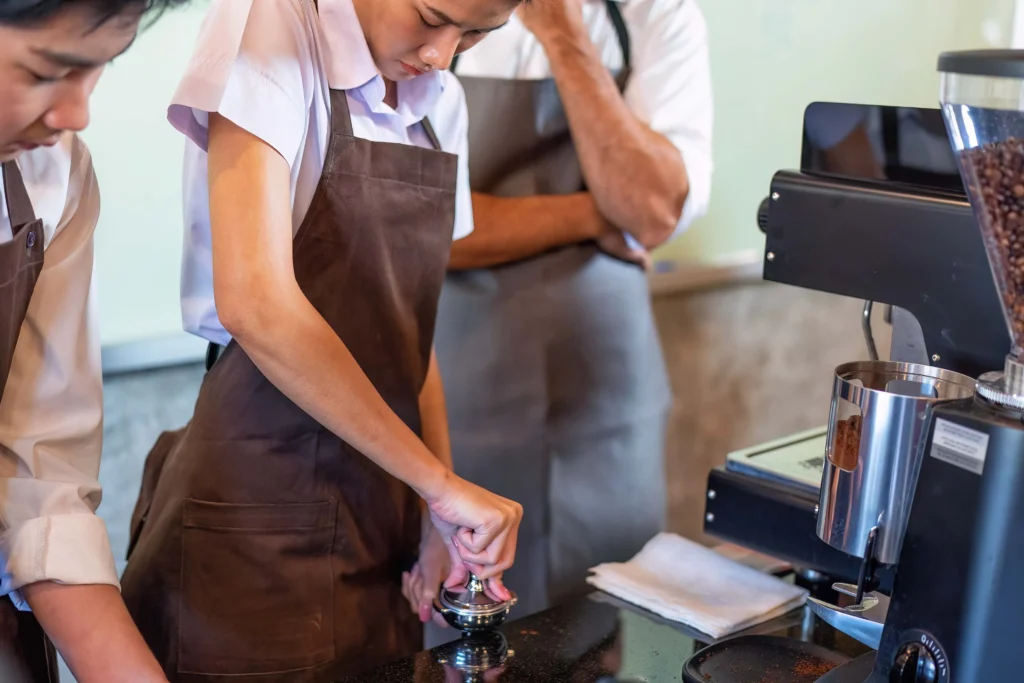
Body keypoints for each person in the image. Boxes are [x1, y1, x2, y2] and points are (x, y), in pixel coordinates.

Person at [119, 0, 525, 680]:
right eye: (431, 17)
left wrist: (434, 514)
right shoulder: (271, 26)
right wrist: (438, 481)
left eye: (479, 32)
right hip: (257, 513)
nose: (442, 55)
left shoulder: (439, 102)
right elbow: (255, 300)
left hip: (378, 519)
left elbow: (410, 333)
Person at [432, 0, 714, 622]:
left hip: (608, 399)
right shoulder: (431, 13)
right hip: (459, 386)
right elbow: (429, 224)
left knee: (612, 619)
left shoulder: (657, 14)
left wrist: (565, 39)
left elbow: (652, 211)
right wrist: (592, 213)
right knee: (464, 621)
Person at [0, 1, 190, 682]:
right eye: (51, 71)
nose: (76, 115)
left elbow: (39, 480)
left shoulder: (52, 178)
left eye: (100, 69)